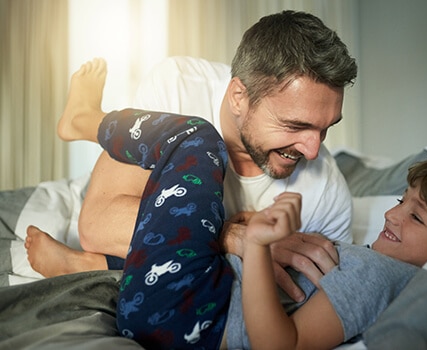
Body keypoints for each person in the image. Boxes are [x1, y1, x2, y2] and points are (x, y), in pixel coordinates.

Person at [27, 57, 427, 349]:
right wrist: (243, 242)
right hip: (191, 305)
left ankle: (84, 122)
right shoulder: (380, 269)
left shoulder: (376, 271)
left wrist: (255, 245)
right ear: (241, 96)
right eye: (400, 201)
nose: (390, 214)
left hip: (185, 319)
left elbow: (281, 344)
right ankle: (89, 266)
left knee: (195, 138)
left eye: (415, 216)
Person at [26, 10, 358, 302]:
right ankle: (84, 119)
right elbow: (98, 227)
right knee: (196, 135)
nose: (313, 150)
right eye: (294, 125)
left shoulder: (328, 197)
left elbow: (303, 300)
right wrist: (236, 237)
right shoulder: (179, 86)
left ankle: (87, 266)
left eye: (325, 128)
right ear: (239, 97)